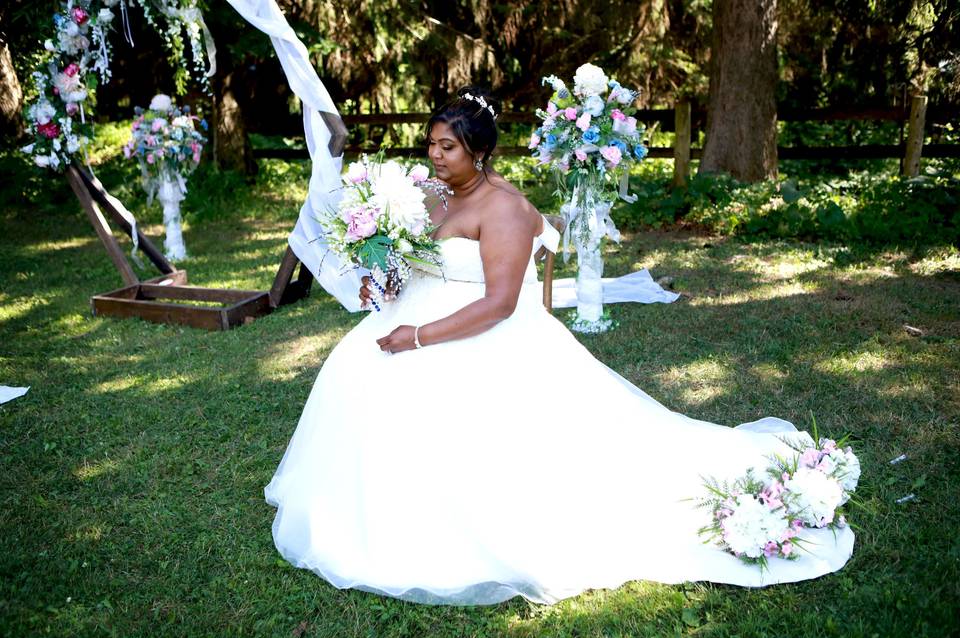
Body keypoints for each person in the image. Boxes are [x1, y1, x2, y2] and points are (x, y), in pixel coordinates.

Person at [264, 87, 854, 605]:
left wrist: (417, 338)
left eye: (447, 147)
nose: (434, 156)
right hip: (406, 319)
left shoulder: (508, 211)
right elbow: (413, 262)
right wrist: (383, 274)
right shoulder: (432, 196)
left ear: (480, 150)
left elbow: (499, 304)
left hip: (479, 336)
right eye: (432, 144)